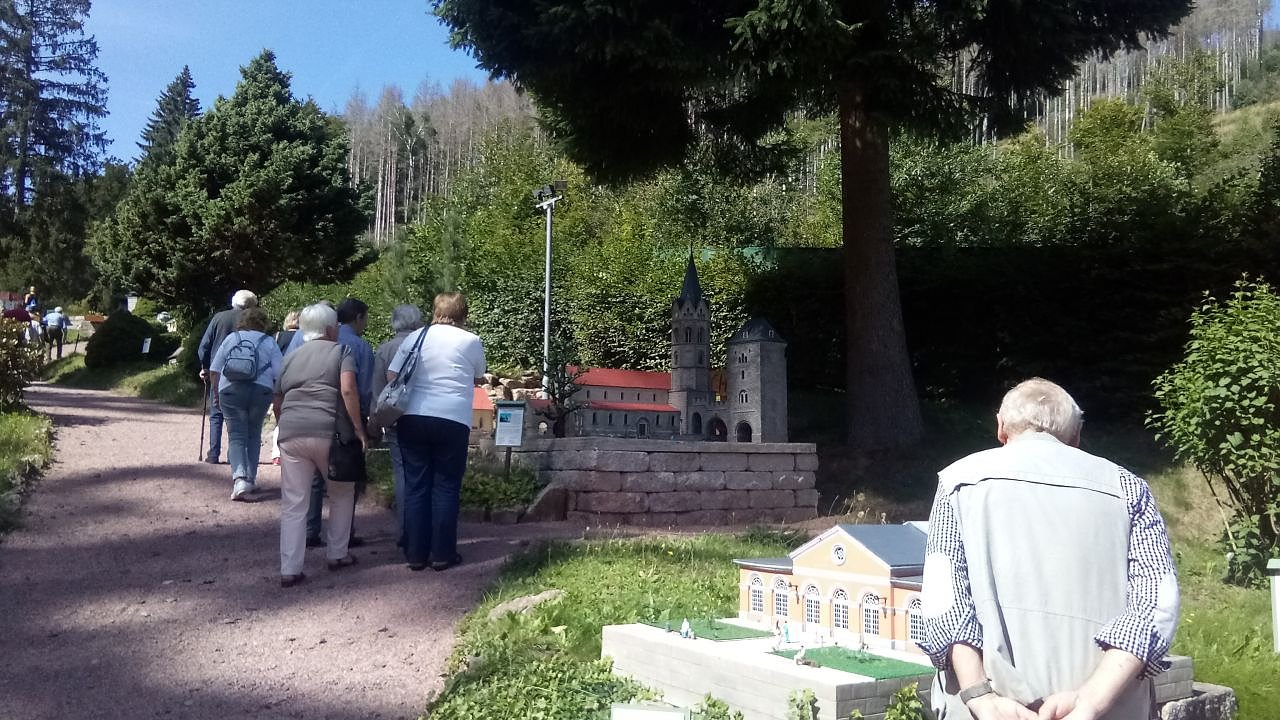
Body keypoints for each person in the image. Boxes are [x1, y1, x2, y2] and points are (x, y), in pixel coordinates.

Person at [919, 378, 1179, 720]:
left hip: (988, 710)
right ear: (1076, 436)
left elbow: (944, 602)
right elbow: (1155, 605)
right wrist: (1091, 701)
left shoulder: (958, 482)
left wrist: (980, 697)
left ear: (1000, 427)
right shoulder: (1129, 489)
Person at [387, 292, 485, 572]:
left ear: (435, 310)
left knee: (416, 485)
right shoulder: (471, 340)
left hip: (413, 416)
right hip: (453, 418)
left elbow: (392, 375)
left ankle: (416, 554)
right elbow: (478, 376)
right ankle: (442, 553)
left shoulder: (416, 336)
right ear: (463, 313)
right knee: (446, 485)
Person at [272, 303, 367, 587]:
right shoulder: (341, 351)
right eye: (335, 326)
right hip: (329, 434)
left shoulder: (291, 357)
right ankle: (337, 554)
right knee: (341, 493)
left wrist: (284, 425)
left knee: (294, 503)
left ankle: (290, 569)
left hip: (292, 433)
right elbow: (348, 390)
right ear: (329, 329)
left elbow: (277, 399)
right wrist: (359, 430)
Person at [304, 297, 374, 548]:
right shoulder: (360, 346)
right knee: (346, 479)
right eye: (365, 319)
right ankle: (344, 534)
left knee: (314, 476)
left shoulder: (309, 341)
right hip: (347, 417)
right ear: (358, 317)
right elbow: (362, 389)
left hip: (313, 411)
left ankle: (310, 529)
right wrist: (363, 424)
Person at [208, 307, 284, 500]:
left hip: (230, 390)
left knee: (236, 436)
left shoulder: (231, 338)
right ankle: (250, 479)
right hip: (261, 391)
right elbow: (279, 373)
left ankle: (240, 479)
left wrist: (216, 394)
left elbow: (215, 370)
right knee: (254, 433)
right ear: (263, 323)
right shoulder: (269, 342)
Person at [370, 304, 425, 538]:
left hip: (395, 418)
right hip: (423, 416)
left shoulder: (385, 349)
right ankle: (424, 529)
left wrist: (375, 421)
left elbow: (377, 390)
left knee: (402, 473)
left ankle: (406, 531)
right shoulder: (426, 346)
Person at [198, 290, 258, 464]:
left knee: (216, 413)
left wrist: (205, 367)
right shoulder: (253, 321)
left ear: (234, 301)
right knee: (238, 414)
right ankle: (234, 455)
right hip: (245, 371)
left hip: (218, 370)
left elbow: (204, 346)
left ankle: (213, 453)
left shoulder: (219, 318)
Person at [269, 310, 301, 465]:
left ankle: (277, 453)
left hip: (280, 380)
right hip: (298, 379)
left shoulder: (278, 336)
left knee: (279, 416)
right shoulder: (304, 337)